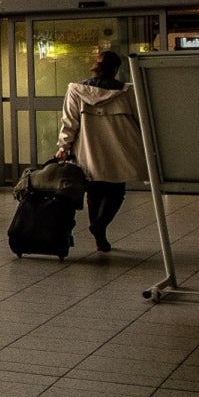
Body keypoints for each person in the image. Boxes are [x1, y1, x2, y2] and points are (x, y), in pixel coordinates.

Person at [56, 49, 147, 253]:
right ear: (115, 70)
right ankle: (100, 227)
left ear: (95, 68)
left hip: (90, 150)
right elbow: (140, 121)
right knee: (116, 192)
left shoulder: (76, 90)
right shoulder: (127, 92)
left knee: (94, 193)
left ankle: (99, 232)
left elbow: (69, 122)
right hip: (120, 149)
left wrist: (64, 146)